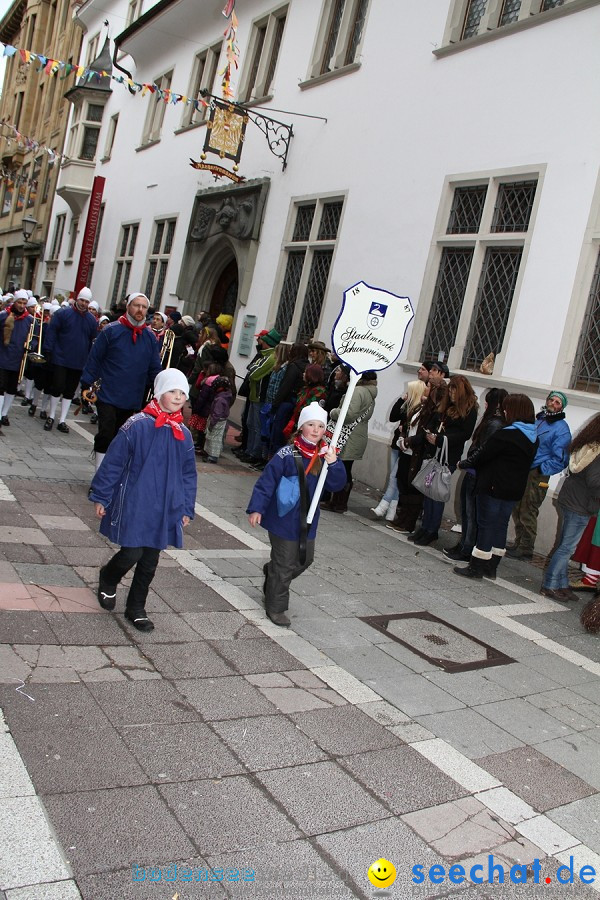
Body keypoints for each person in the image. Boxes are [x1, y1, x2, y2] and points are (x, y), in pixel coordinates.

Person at [90, 368, 197, 632]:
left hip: (165, 507)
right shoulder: (137, 425)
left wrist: (185, 507)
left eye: (182, 392)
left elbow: (187, 474)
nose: (177, 396)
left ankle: (136, 608)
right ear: (159, 393)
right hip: (136, 501)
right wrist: (102, 495)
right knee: (132, 552)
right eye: (172, 391)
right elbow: (114, 463)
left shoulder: (183, 433)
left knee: (150, 560)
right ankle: (109, 576)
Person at [247, 401, 346, 626]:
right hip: (283, 519)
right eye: (310, 424)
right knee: (284, 565)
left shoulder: (324, 455)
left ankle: (273, 577)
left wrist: (335, 463)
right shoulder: (286, 454)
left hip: (308, 520)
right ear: (301, 427)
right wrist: (256, 508)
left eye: (320, 426)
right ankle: (276, 607)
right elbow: (266, 483)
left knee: (305, 559)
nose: (315, 430)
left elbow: (336, 485)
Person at [454, 394, 538, 580]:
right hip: (514, 489)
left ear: (515, 411)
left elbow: (483, 455)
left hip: (493, 486)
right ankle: (491, 568)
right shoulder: (532, 437)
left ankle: (476, 568)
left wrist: (464, 464)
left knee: (486, 525)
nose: (504, 412)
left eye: (507, 408)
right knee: (501, 526)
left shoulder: (506, 434)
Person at [80, 292, 162, 470]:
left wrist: (162, 390)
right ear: (128, 307)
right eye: (136, 305)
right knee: (106, 433)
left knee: (121, 436)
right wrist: (86, 383)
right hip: (108, 392)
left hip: (132, 396)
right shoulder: (111, 330)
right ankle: (99, 477)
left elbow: (154, 367)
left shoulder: (149, 338)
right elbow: (95, 358)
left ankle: (111, 475)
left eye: (144, 307)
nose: (140, 310)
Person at [412, 374, 478, 546]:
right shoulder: (447, 405)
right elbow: (436, 421)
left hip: (449, 455)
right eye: (450, 389)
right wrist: (432, 434)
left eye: (454, 390)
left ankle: (432, 529)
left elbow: (464, 434)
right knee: (428, 491)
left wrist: (441, 439)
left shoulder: (470, 409)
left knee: (437, 493)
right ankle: (425, 527)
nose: (451, 393)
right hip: (434, 452)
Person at [540, 414, 600, 602]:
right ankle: (549, 585)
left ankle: (562, 583)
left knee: (565, 544)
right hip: (580, 504)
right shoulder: (597, 451)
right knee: (566, 547)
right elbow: (594, 481)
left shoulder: (587, 445)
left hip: (571, 499)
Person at [444, 388, 508, 561]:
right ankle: (465, 543)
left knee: (471, 514)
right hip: (474, 470)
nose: (485, 404)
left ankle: (467, 548)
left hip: (478, 473)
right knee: (466, 511)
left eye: (488, 401)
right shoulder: (493, 421)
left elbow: (484, 449)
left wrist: (468, 462)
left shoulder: (495, 423)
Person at [508, 391, 571, 560]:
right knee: (518, 506)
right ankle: (519, 542)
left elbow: (562, 459)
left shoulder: (562, 429)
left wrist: (542, 469)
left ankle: (526, 548)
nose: (553, 403)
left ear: (561, 407)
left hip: (537, 474)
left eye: (557, 402)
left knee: (528, 509)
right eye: (551, 399)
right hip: (524, 469)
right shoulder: (540, 420)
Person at [41, 286, 98, 433]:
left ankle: (62, 420)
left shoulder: (92, 321)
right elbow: (52, 332)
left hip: (78, 361)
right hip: (61, 358)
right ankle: (52, 416)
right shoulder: (63, 314)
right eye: (81, 300)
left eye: (86, 301)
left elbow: (93, 340)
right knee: (57, 387)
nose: (84, 304)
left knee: (69, 391)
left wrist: (91, 361)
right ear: (77, 299)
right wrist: (48, 350)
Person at [323, 370, 378, 514]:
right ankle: (338, 502)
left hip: (348, 436)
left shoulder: (358, 391)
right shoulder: (370, 392)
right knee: (346, 468)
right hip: (356, 435)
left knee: (342, 469)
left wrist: (333, 412)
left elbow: (348, 414)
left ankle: (338, 502)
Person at [372, 380, 427, 521]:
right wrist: (400, 400)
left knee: (394, 478)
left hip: (406, 448)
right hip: (398, 445)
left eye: (410, 390)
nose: (406, 392)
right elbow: (393, 417)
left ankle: (383, 507)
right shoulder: (406, 405)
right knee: (395, 477)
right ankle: (391, 511)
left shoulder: (420, 409)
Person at [243, 328, 281, 465]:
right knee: (250, 424)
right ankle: (249, 450)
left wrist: (253, 369)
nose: (260, 342)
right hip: (254, 395)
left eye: (262, 340)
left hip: (260, 396)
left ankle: (255, 453)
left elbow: (254, 373)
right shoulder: (263, 355)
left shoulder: (270, 357)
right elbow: (250, 368)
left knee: (257, 426)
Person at [0, 289, 33, 426]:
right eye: (19, 302)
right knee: (0, 387)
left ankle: (4, 414)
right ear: (15, 302)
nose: (21, 305)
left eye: (24, 303)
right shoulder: (3, 315)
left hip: (18, 358)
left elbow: (33, 339)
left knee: (12, 388)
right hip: (2, 356)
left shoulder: (30, 320)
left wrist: (31, 345)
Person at [269, 343, 309, 455]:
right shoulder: (307, 366)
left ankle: (274, 458)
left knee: (278, 432)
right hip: (297, 402)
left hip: (287, 401)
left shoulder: (293, 366)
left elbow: (285, 386)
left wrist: (275, 404)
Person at [282, 364, 327, 440]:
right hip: (296, 423)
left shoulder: (319, 391)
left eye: (305, 372)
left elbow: (310, 410)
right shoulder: (305, 388)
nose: (303, 374)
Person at [205, 375, 233, 463]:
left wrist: (212, 423)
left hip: (217, 421)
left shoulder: (220, 399)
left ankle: (213, 456)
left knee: (213, 438)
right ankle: (212, 454)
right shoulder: (225, 396)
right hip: (221, 420)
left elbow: (217, 413)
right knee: (216, 438)